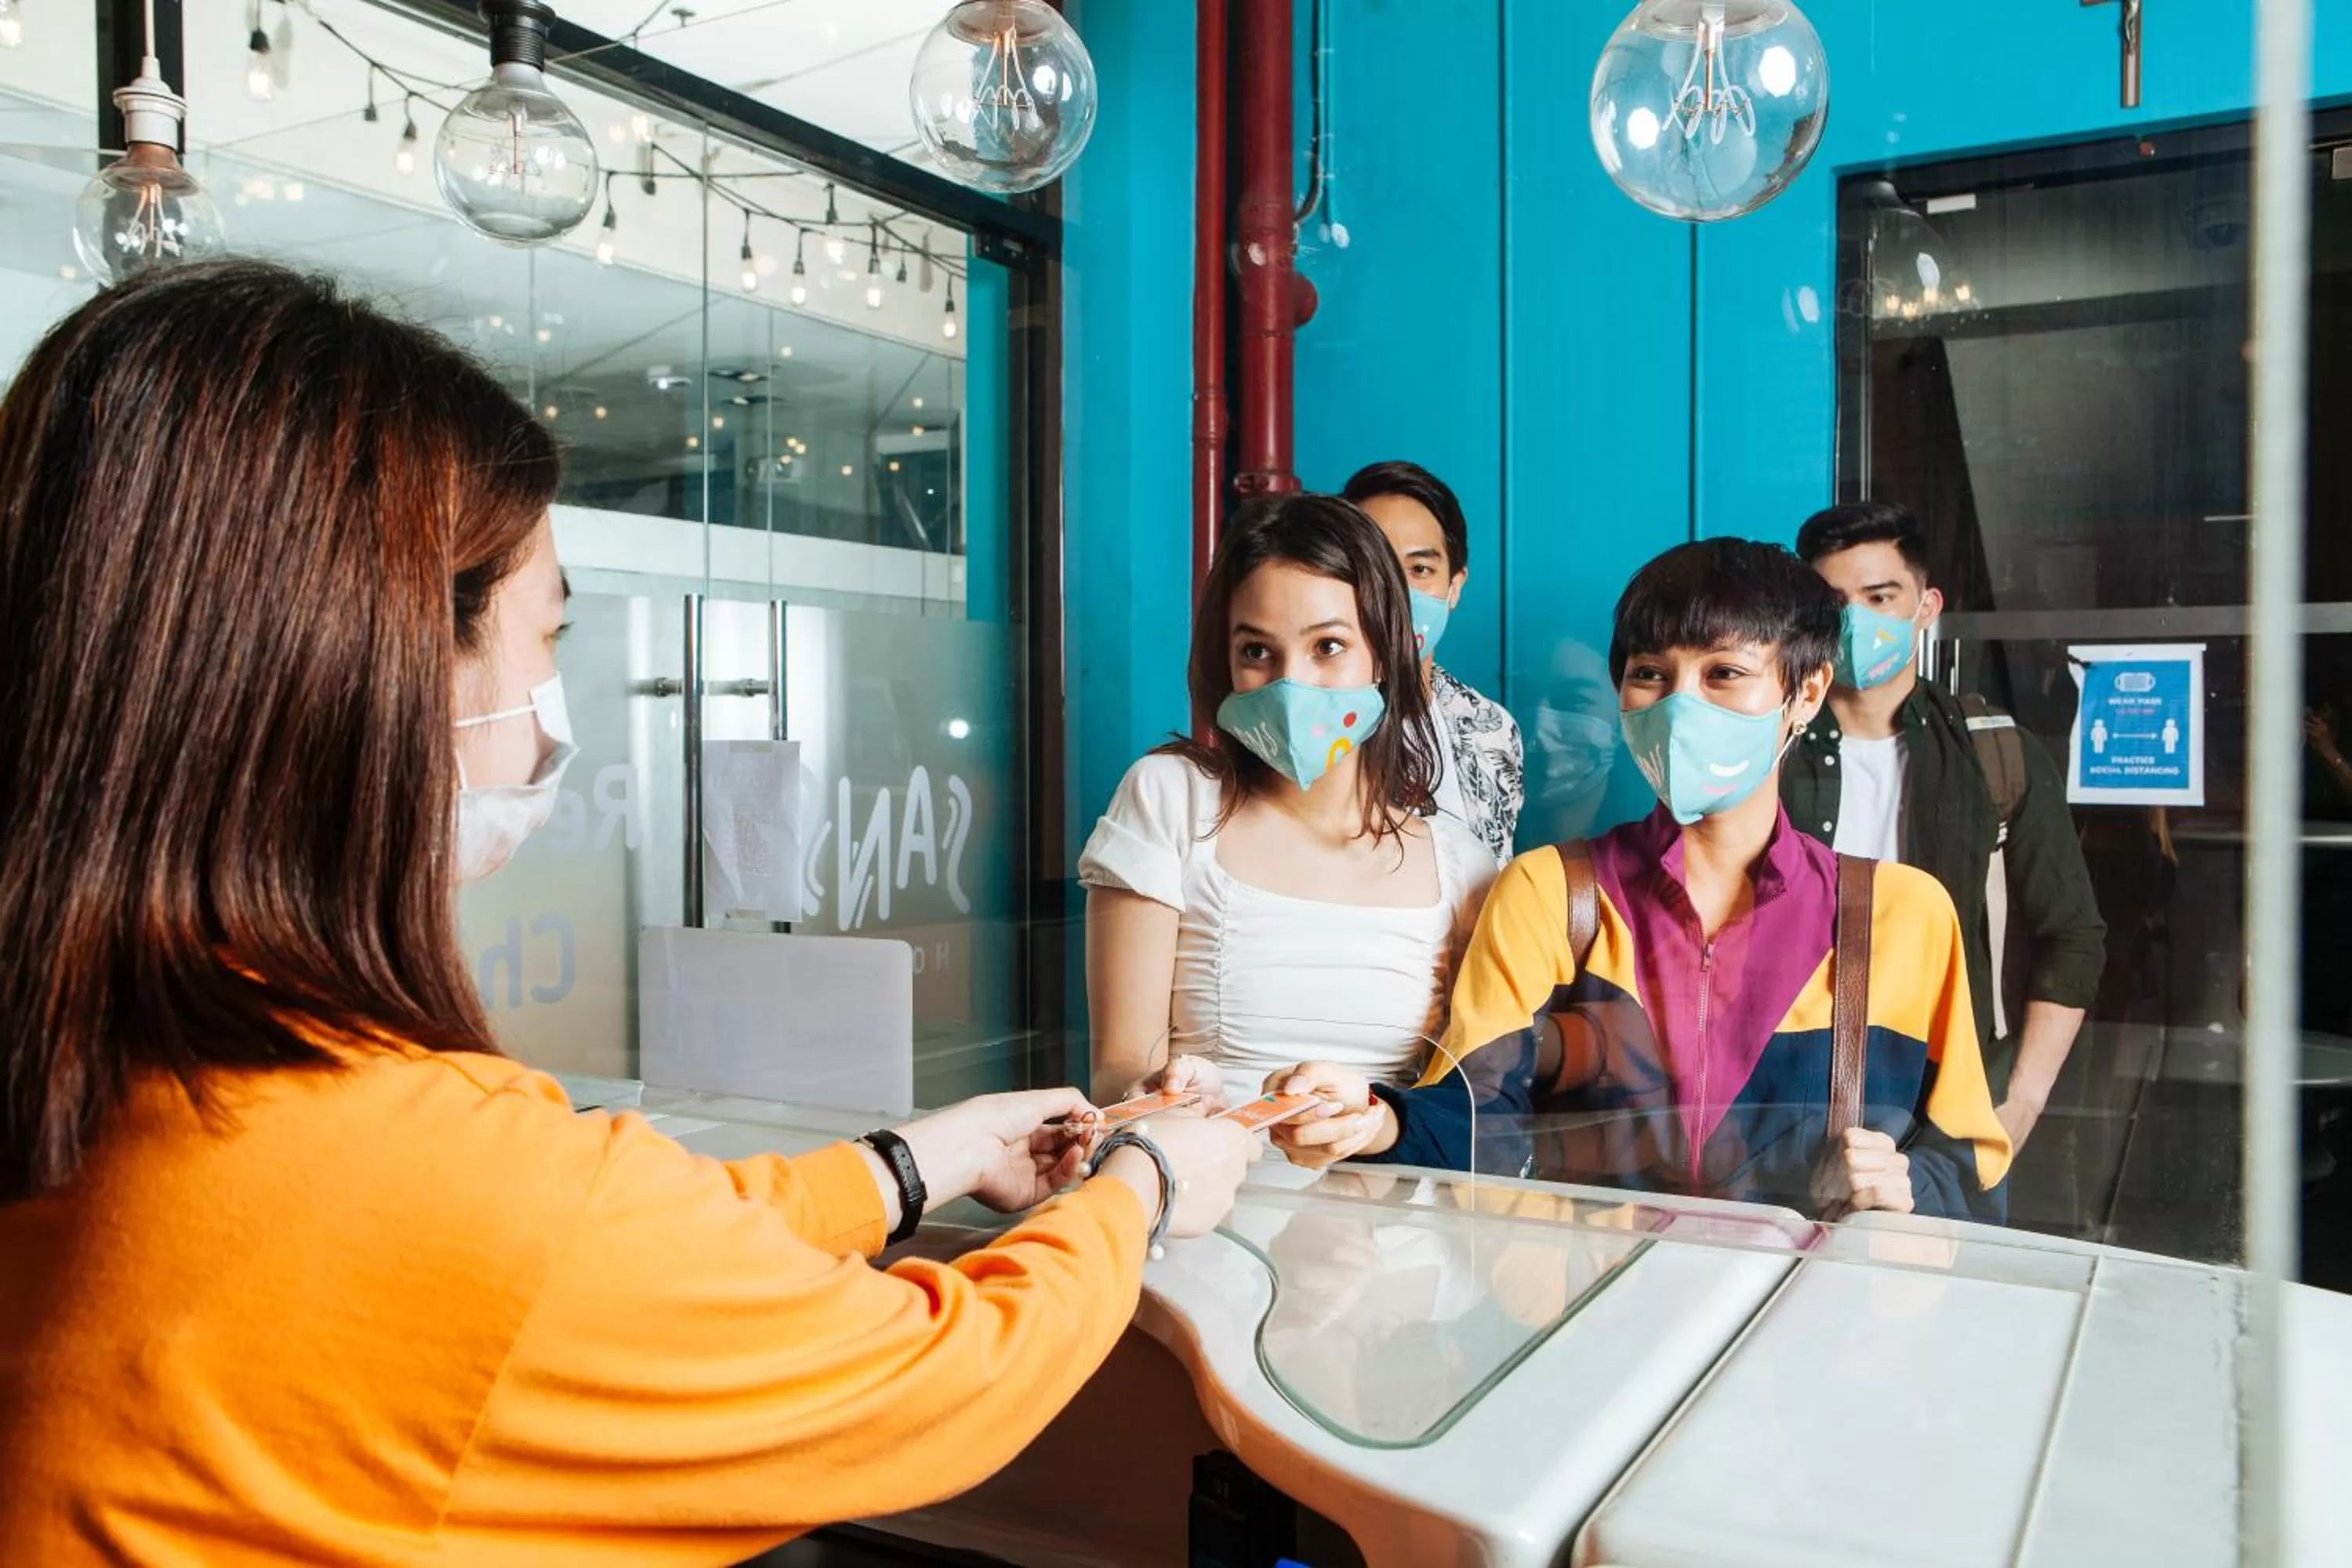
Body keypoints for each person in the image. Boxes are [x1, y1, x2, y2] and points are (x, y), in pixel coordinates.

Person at [0, 262, 1257, 1564]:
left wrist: (913, 1163)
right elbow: (935, 1377)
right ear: (384, 667)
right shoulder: (420, 1159)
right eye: (551, 637)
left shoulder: (127, 1068)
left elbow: (597, 1254)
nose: (556, 701)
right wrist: (1145, 1186)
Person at [1267, 539, 2013, 1221]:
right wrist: (1375, 1121)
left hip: (1809, 1314)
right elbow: (1477, 1118)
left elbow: (1972, 1170)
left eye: (1724, 674)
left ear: (1807, 692)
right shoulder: (1550, 893)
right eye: (1650, 674)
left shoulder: (1901, 915)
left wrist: (1911, 1186)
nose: (1680, 706)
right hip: (1589, 1308)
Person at [1080, 493, 1497, 1108]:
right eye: (1257, 651)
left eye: (1328, 646)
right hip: (1194, 1162)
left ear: (1384, 652)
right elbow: (1117, 1067)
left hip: (1384, 1172)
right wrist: (1158, 1096)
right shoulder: (1168, 799)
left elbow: (1466, 1102)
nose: (1290, 683)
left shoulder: (1462, 865)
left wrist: (1368, 1127)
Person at [1783, 501, 2106, 1156]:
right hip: (1786, 1099)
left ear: (1926, 607)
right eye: (1834, 602)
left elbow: (2074, 938)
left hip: (1949, 1107)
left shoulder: (1996, 754)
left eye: (1880, 597)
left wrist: (2021, 1100)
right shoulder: (1767, 753)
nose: (1856, 621)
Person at [1343, 461, 1525, 865]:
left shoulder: (1491, 730)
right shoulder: (1311, 721)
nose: (1395, 590)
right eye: (1373, 566)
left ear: (1454, 586)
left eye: (1420, 569)